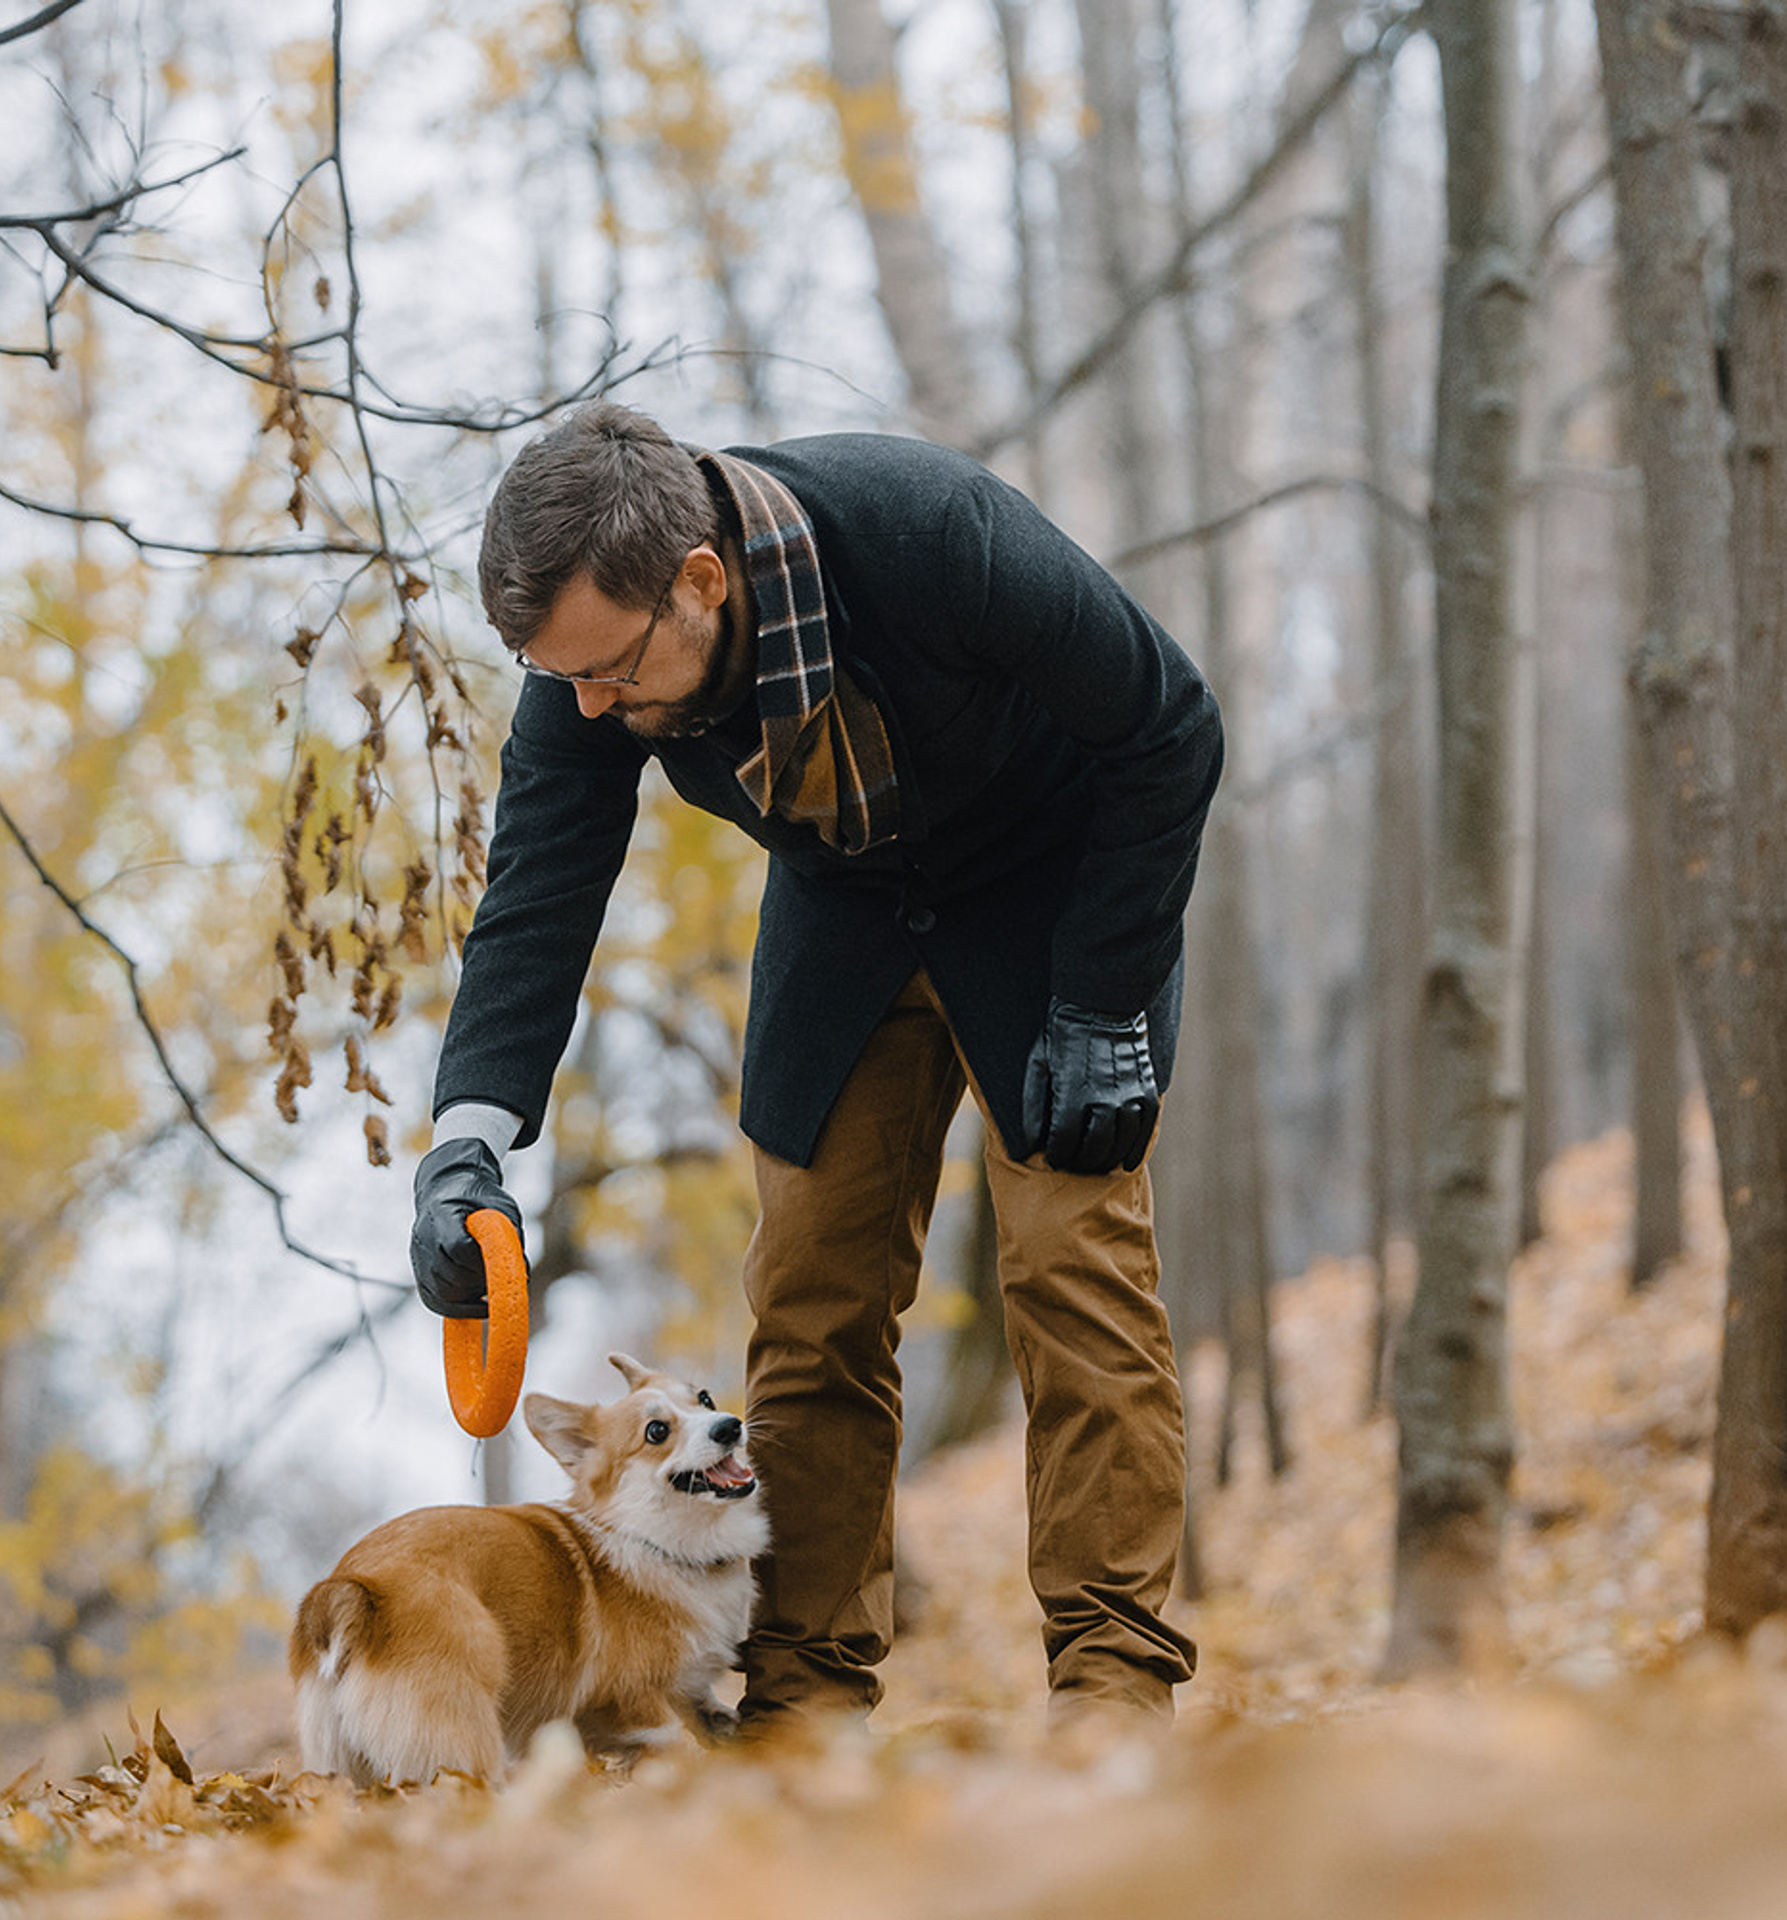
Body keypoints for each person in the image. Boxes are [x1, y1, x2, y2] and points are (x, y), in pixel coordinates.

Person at [409, 403, 1224, 1734]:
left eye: (612, 673)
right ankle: (799, 1703)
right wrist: (467, 1147)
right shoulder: (581, 670)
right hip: (844, 907)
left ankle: (1113, 1688)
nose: (595, 711)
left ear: (700, 584)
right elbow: (535, 903)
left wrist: (1103, 1007)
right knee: (809, 1300)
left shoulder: (931, 535)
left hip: (1052, 896)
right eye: (565, 682)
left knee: (1071, 1270)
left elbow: (1170, 728)